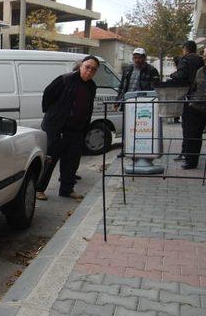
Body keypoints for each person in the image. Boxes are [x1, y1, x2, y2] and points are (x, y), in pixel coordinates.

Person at [35, 55, 99, 201]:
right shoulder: (65, 79)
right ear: (81, 66)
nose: (89, 71)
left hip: (76, 130)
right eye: (87, 67)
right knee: (49, 160)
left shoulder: (91, 86)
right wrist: (52, 114)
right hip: (56, 129)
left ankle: (66, 189)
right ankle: (39, 189)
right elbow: (47, 95)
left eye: (93, 69)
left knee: (72, 161)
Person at [114, 48, 160, 157]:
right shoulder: (128, 69)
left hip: (143, 105)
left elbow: (156, 89)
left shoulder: (151, 70)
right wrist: (117, 100)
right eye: (135, 57)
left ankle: (143, 148)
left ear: (144, 58)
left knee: (142, 127)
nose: (137, 60)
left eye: (140, 57)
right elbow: (122, 86)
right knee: (127, 127)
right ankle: (125, 149)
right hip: (128, 103)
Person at [169, 41, 204, 161]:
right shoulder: (201, 60)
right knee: (196, 129)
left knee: (187, 127)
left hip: (188, 95)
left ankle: (186, 153)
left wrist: (172, 75)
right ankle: (191, 154)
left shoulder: (186, 59)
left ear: (185, 49)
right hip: (200, 97)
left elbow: (181, 75)